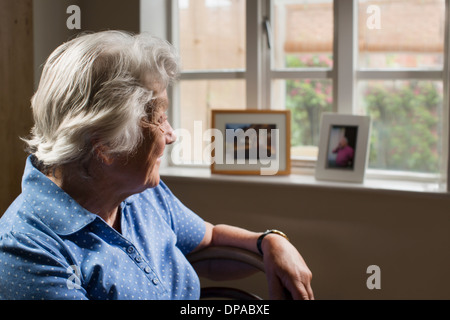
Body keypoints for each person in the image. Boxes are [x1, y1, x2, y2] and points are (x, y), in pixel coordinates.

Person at [0, 31, 313, 300]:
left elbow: (210, 243)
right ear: (106, 145)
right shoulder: (29, 250)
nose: (171, 134)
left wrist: (269, 241)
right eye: (160, 118)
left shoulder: (140, 195)